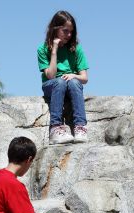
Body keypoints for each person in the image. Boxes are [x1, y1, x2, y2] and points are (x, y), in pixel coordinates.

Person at [37, 10, 89, 145]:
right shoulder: (42, 49)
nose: (69, 35)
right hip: (52, 85)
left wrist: (73, 75)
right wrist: (54, 49)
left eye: (71, 31)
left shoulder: (76, 49)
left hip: (70, 84)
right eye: (65, 31)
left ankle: (80, 127)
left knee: (74, 82)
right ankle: (55, 128)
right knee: (59, 82)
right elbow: (50, 76)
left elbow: (84, 78)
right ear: (55, 28)